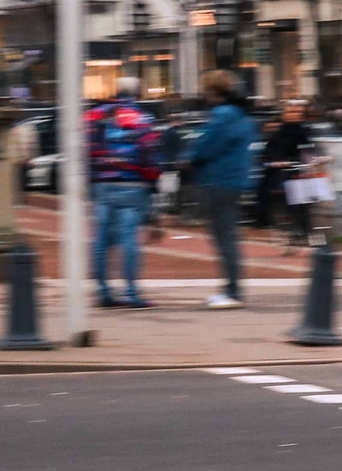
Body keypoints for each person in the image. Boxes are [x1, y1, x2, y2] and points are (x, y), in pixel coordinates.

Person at [86, 78, 163, 308]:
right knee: (130, 239)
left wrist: (93, 177)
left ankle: (103, 290)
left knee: (100, 238)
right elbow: (150, 155)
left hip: (103, 183)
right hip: (133, 184)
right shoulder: (144, 120)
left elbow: (86, 151)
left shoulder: (96, 116)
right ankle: (131, 291)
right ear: (138, 94)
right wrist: (153, 183)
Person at [180, 71, 254, 309]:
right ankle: (232, 288)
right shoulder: (242, 116)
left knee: (224, 239)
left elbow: (207, 146)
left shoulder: (222, 116)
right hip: (234, 180)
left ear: (213, 92)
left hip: (218, 180)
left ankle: (232, 290)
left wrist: (188, 159)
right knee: (228, 237)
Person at [259, 100, 311, 247]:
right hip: (282, 172)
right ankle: (288, 227)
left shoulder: (304, 132)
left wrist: (318, 158)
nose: (295, 115)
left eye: (298, 113)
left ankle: (305, 230)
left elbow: (309, 149)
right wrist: (277, 162)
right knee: (285, 193)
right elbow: (269, 153)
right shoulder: (278, 134)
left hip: (300, 171)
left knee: (305, 199)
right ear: (284, 115)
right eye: (291, 112)